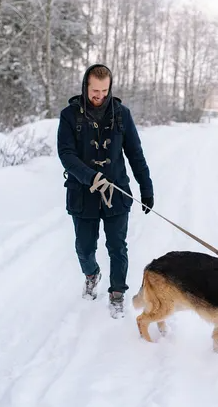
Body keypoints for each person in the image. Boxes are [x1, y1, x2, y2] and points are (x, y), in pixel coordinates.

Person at [57, 64, 154, 319]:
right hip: (83, 193)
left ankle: (117, 293)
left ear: (110, 88)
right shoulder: (69, 116)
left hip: (117, 193)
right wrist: (91, 177)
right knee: (84, 248)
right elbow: (66, 154)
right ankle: (91, 274)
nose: (99, 96)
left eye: (104, 90)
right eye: (94, 91)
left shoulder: (121, 114)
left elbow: (135, 154)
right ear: (85, 87)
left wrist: (146, 187)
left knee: (117, 247)